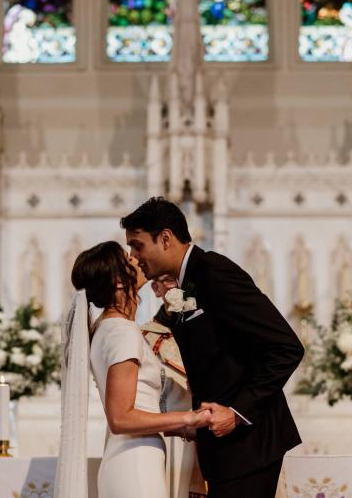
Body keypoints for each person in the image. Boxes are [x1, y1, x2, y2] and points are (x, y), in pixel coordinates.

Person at [122, 197, 305, 498]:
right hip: (222, 447)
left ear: (165, 238)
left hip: (249, 444)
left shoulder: (214, 273)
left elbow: (286, 347)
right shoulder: (187, 280)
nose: (134, 256)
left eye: (137, 245)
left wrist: (237, 412)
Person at [55, 241, 212, 498]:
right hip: (136, 463)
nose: (137, 259)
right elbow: (121, 419)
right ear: (118, 281)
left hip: (129, 457)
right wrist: (188, 417)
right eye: (129, 260)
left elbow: (138, 407)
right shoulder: (122, 332)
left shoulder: (107, 328)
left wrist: (182, 429)